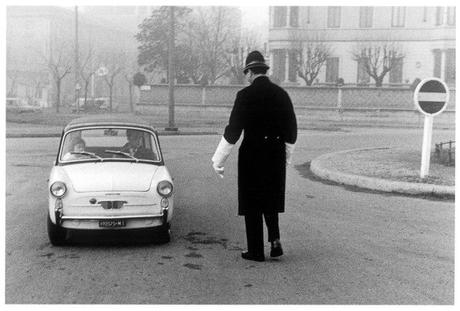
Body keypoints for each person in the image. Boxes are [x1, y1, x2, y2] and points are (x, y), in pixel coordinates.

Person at [211, 51, 297, 262]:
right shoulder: (281, 94)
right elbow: (292, 131)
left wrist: (218, 160)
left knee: (252, 202)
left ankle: (256, 250)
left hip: (252, 153)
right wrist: (285, 157)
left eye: (246, 73)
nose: (246, 77)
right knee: (270, 197)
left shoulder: (244, 96)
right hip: (275, 152)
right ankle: (275, 240)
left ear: (250, 72)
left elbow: (233, 131)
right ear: (264, 71)